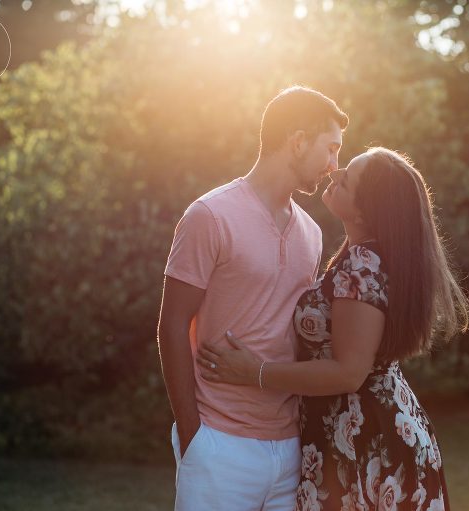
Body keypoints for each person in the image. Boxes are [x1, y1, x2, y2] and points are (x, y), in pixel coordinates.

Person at [198, 147, 469, 511]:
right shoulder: (374, 256)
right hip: (377, 430)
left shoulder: (361, 263)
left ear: (364, 210)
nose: (333, 173)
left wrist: (256, 373)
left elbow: (348, 373)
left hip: (363, 440)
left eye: (345, 179)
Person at [156, 86, 349, 510]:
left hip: (290, 448)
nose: (335, 166)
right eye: (330, 149)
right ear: (297, 141)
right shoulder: (209, 216)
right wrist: (193, 436)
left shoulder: (312, 235)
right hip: (219, 445)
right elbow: (171, 325)